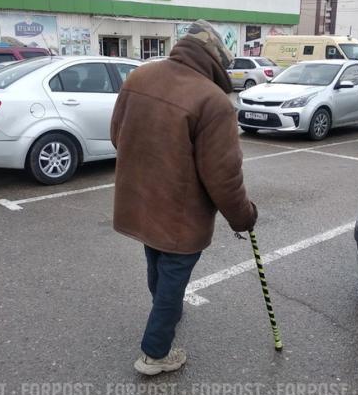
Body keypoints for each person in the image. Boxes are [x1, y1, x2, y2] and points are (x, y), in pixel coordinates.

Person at [110, 19, 257, 376]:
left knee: (156, 260)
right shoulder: (212, 101)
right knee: (173, 275)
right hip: (181, 214)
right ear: (216, 59)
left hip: (142, 198)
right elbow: (223, 175)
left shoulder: (139, 78)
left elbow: (117, 135)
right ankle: (155, 354)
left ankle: (167, 312)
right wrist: (244, 216)